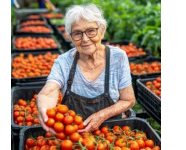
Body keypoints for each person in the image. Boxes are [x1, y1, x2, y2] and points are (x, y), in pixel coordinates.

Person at [37, 4, 135, 134]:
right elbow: (49, 92)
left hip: (111, 134)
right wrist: (44, 108)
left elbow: (128, 100)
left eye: (91, 31)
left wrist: (102, 115)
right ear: (71, 37)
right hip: (74, 136)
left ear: (102, 31)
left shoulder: (118, 57)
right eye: (77, 33)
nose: (85, 39)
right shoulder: (63, 62)